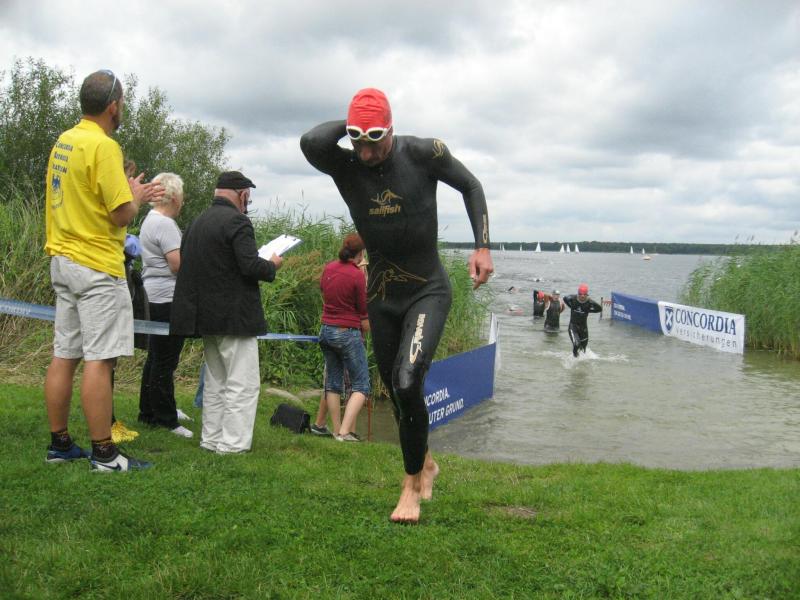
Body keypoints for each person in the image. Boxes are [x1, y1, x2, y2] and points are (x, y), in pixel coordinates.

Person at [300, 88, 493, 523]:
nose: (366, 153)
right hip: (382, 296)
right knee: (398, 388)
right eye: (357, 141)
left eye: (375, 140)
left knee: (407, 382)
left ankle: (410, 487)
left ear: (391, 129)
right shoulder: (347, 163)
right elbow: (310, 142)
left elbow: (471, 185)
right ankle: (425, 461)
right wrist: (355, 122)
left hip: (427, 290)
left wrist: (482, 246)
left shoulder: (424, 153)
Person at [43, 69, 163, 472]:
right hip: (96, 266)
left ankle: (60, 444)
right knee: (100, 359)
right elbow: (120, 214)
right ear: (113, 106)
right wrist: (136, 195)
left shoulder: (65, 141)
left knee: (65, 355)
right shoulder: (104, 146)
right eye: (122, 103)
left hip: (63, 260)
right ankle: (105, 454)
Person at [170, 171, 283, 454]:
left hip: (204, 316)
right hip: (234, 317)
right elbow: (250, 266)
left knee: (216, 381)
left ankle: (211, 438)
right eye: (248, 199)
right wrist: (272, 264)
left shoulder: (197, 222)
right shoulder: (238, 221)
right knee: (242, 383)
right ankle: (233, 444)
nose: (247, 204)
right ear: (242, 195)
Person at [137, 172, 193, 438]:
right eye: (181, 194)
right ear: (175, 197)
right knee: (166, 360)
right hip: (167, 297)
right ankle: (166, 418)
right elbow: (177, 265)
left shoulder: (150, 219)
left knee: (156, 357)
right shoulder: (166, 224)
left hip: (153, 295)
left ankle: (149, 410)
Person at [311, 233, 371, 441]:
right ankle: (345, 432)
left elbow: (323, 289)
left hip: (326, 329)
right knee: (361, 385)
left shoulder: (329, 268)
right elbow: (363, 309)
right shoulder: (357, 275)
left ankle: (336, 431)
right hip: (347, 333)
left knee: (333, 383)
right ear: (360, 254)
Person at [562, 284, 602, 357]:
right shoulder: (573, 298)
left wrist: (589, 311)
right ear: (578, 294)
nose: (582, 296)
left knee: (583, 349)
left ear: (587, 295)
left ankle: (580, 361)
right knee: (577, 344)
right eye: (580, 294)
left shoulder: (589, 302)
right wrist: (571, 306)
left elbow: (599, 309)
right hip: (573, 326)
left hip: (583, 328)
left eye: (584, 294)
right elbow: (565, 298)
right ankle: (574, 358)